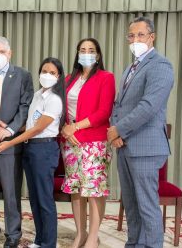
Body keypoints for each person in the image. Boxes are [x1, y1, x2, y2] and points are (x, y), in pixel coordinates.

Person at [108, 17, 174, 248]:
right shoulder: (130, 67)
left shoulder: (160, 65)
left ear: (152, 37)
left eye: (140, 35)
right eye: (131, 36)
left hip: (145, 147)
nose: (135, 40)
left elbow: (148, 107)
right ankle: (134, 244)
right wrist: (115, 134)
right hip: (124, 146)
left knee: (146, 206)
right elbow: (119, 104)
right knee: (131, 204)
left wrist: (118, 129)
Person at [0, 57, 65, 248]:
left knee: (44, 199)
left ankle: (48, 243)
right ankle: (39, 240)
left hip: (44, 149)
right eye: (44, 71)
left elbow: (37, 129)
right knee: (34, 198)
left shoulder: (55, 99)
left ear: (59, 77)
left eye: (52, 73)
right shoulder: (37, 95)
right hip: (31, 148)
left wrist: (9, 143)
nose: (47, 75)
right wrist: (8, 128)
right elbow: (29, 125)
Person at [0, 36, 34, 248]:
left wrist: (9, 130)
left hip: (9, 142)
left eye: (2, 52)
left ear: (9, 54)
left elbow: (24, 107)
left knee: (11, 191)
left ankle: (13, 234)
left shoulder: (22, 75)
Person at [60, 38, 116, 248]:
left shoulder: (106, 77)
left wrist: (75, 126)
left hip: (95, 142)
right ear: (77, 53)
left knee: (94, 190)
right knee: (76, 190)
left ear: (98, 55)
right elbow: (61, 109)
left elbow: (104, 112)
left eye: (91, 50)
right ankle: (80, 233)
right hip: (71, 142)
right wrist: (66, 128)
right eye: (82, 50)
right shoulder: (68, 80)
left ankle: (93, 236)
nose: (86, 53)